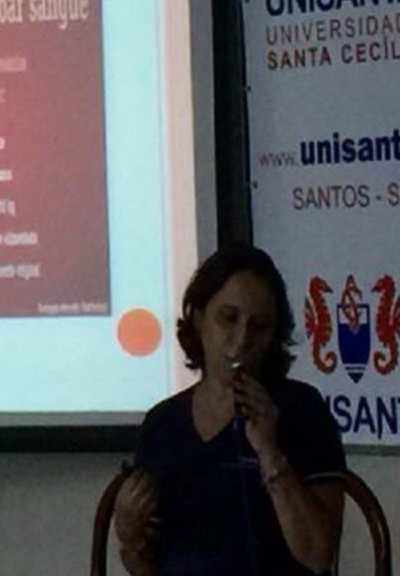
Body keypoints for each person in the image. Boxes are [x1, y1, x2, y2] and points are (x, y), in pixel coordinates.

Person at [114, 242, 345, 575]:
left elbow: (319, 555)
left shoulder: (301, 410)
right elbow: (147, 568)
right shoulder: (163, 424)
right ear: (198, 319)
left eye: (259, 326)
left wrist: (270, 454)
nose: (242, 339)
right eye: (228, 319)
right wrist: (129, 535)